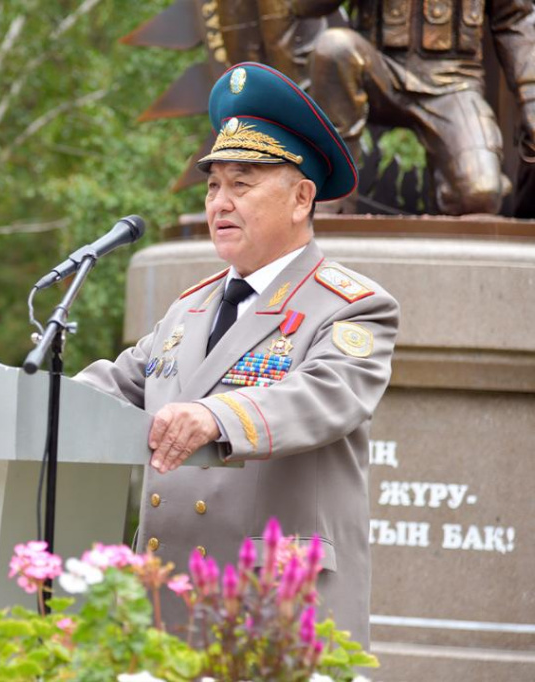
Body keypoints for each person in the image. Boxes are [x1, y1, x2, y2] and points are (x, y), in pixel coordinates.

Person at [76, 62, 400, 646]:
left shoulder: (353, 306)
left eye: (242, 184)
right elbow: (114, 386)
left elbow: (324, 394)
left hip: (273, 608)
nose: (220, 202)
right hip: (166, 606)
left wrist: (218, 416)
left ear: (302, 198)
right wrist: (20, 402)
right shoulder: (188, 310)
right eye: (213, 184)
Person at [300, 0, 535, 215]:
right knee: (335, 48)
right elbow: (303, 7)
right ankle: (331, 195)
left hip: (453, 82)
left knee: (480, 194)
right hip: (376, 67)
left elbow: (516, 19)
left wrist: (531, 98)